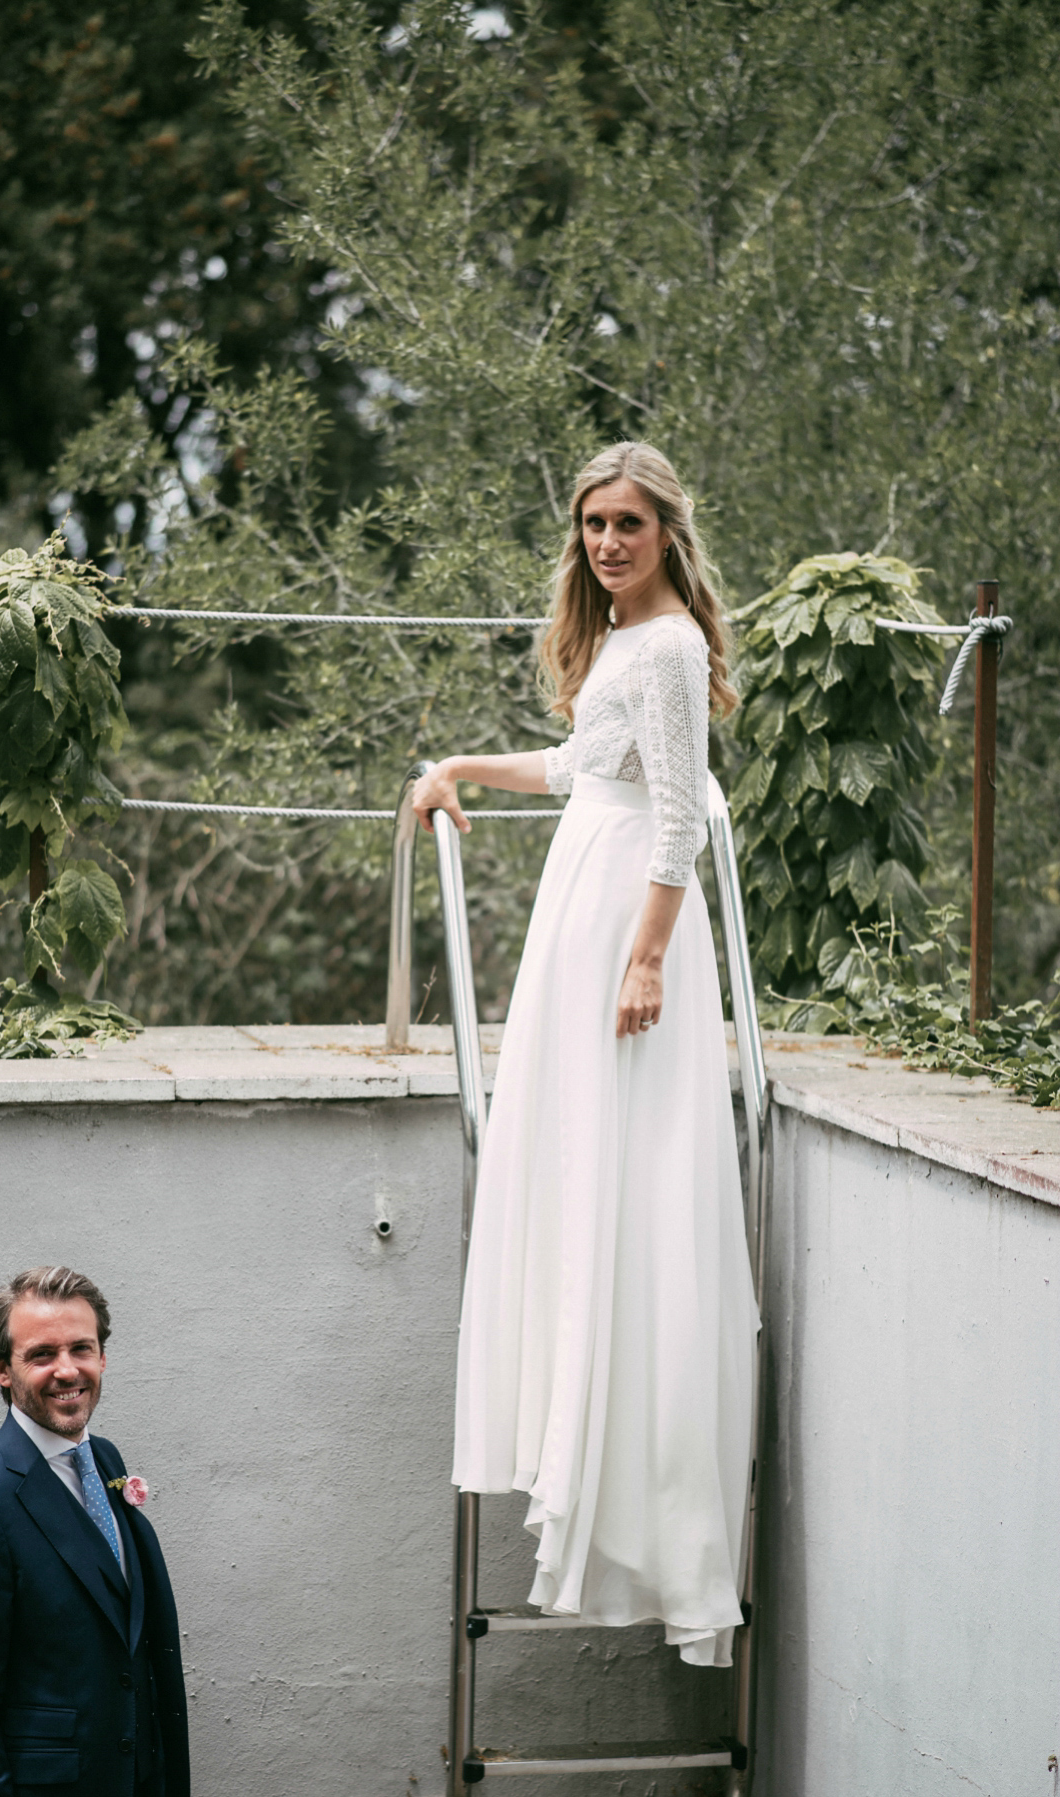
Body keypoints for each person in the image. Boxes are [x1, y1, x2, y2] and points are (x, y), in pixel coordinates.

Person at [413, 441, 759, 1666]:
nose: (607, 543)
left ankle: (637, 1480)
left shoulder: (666, 646)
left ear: (666, 530)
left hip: (626, 919)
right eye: (592, 526)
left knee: (632, 1178)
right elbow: (576, 770)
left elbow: (676, 810)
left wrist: (651, 955)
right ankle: (576, 1424)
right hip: (585, 904)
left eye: (627, 523)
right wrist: (460, 766)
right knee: (576, 1168)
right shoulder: (617, 641)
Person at [0, 1266, 190, 1795]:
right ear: (2, 1369)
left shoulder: (103, 1457)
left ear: (103, 1357)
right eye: (42, 1354)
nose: (67, 1371)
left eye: (81, 1349)